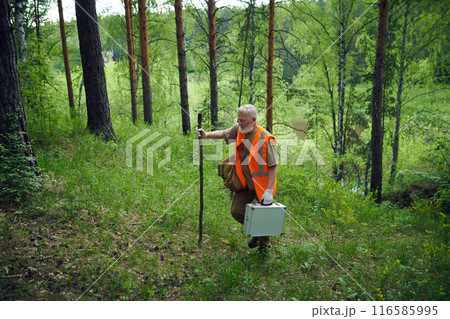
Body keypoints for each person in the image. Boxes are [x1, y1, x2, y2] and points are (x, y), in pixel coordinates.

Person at [195, 104, 278, 252]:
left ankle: (265, 246)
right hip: (245, 184)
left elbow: (273, 166)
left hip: (262, 188)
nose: (239, 123)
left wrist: (269, 191)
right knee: (236, 211)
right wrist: (206, 134)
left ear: (253, 120)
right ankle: (258, 233)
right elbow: (224, 133)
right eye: (238, 120)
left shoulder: (265, 138)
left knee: (265, 217)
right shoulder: (239, 129)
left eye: (243, 121)